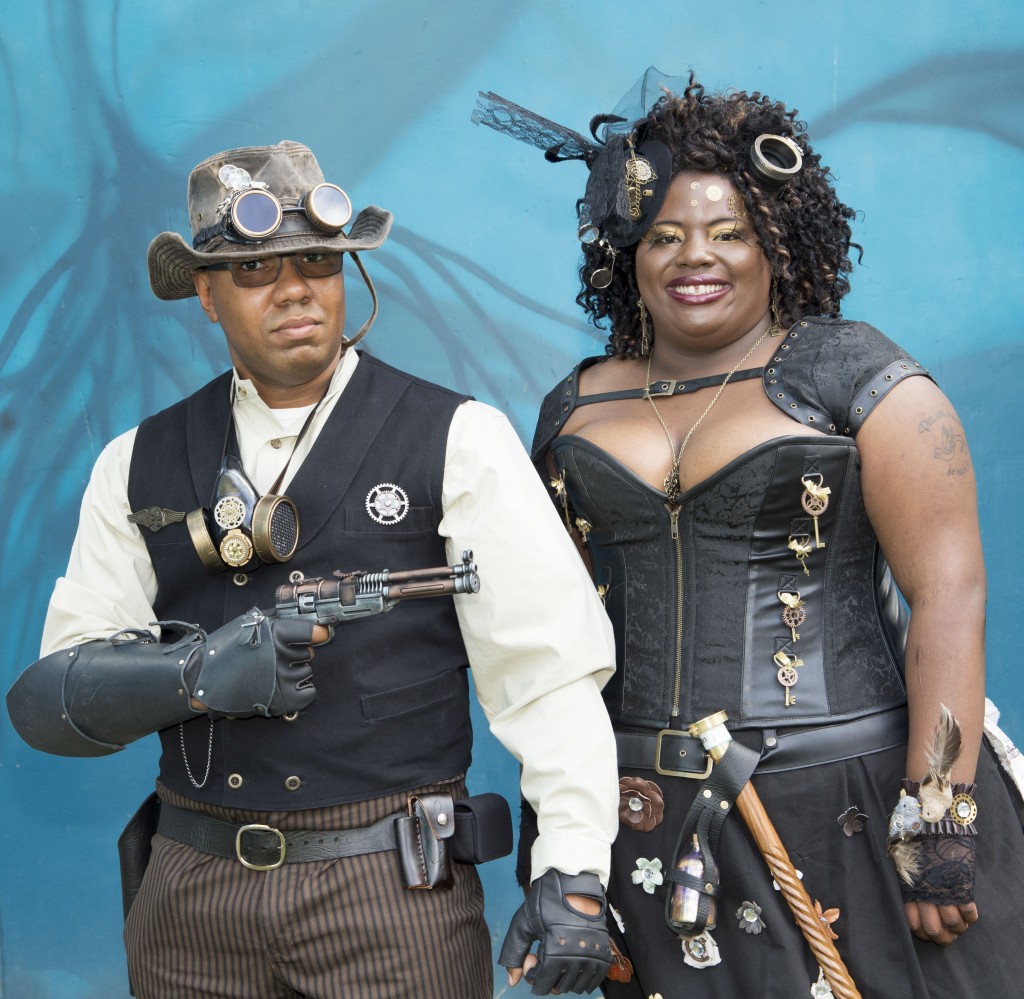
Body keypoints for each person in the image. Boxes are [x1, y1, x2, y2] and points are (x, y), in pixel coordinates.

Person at [6, 139, 620, 999]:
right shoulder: (135, 462)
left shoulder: (458, 438)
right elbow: (59, 696)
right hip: (193, 897)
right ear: (207, 296)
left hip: (390, 893)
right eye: (256, 271)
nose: (295, 288)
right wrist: (197, 674)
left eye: (317, 261)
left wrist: (572, 871)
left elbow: (548, 680)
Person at [474, 71, 1024, 997]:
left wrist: (938, 816)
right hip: (644, 819)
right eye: (667, 234)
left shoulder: (858, 377)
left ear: (779, 243)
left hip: (849, 808)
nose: (699, 257)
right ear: (629, 252)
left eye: (731, 232)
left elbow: (948, 593)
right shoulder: (573, 406)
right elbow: (547, 641)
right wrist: (563, 832)